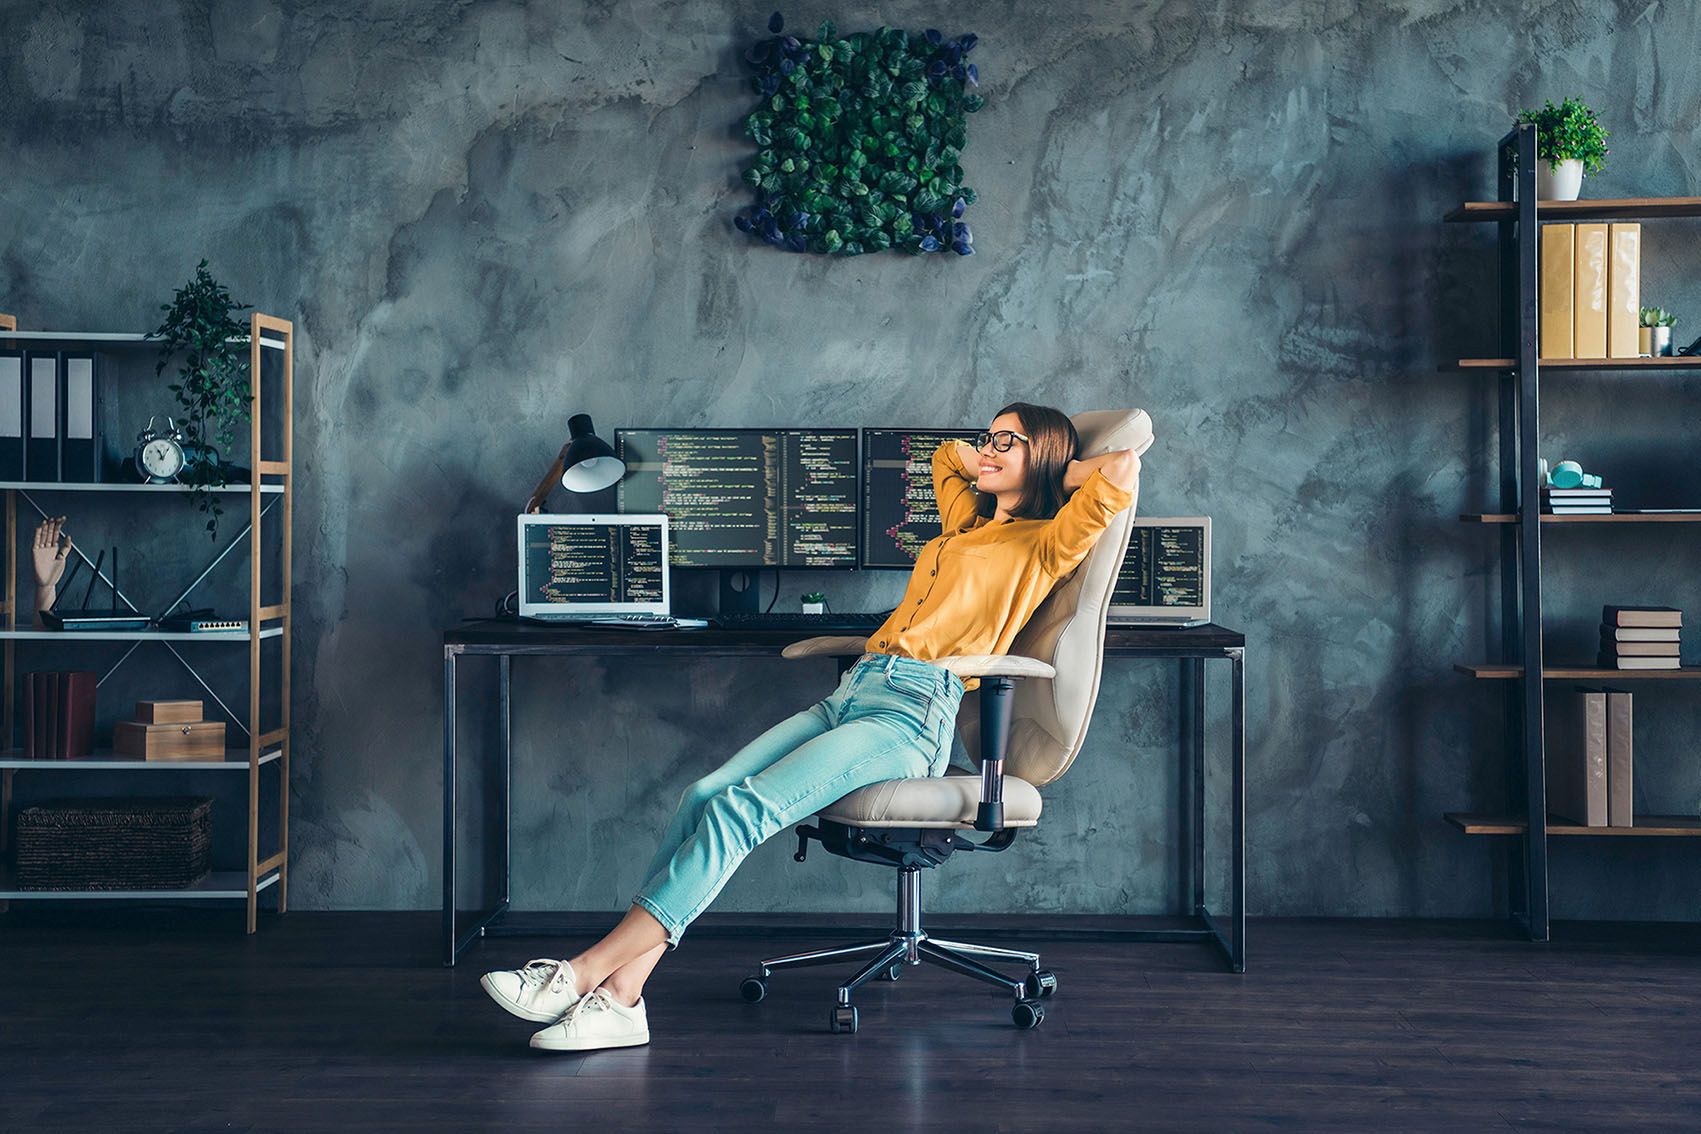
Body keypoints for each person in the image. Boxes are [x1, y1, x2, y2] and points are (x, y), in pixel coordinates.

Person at [481, 402, 1140, 1052]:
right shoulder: (963, 523)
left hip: (912, 713)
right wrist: (994, 453)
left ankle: (582, 973)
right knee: (703, 796)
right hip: (856, 691)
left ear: (1046, 458)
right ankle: (623, 1001)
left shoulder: (1046, 544)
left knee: (742, 811)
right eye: (988, 437)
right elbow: (945, 457)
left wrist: (1062, 473)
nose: (988, 450)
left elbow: (1120, 466)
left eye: (1009, 442)